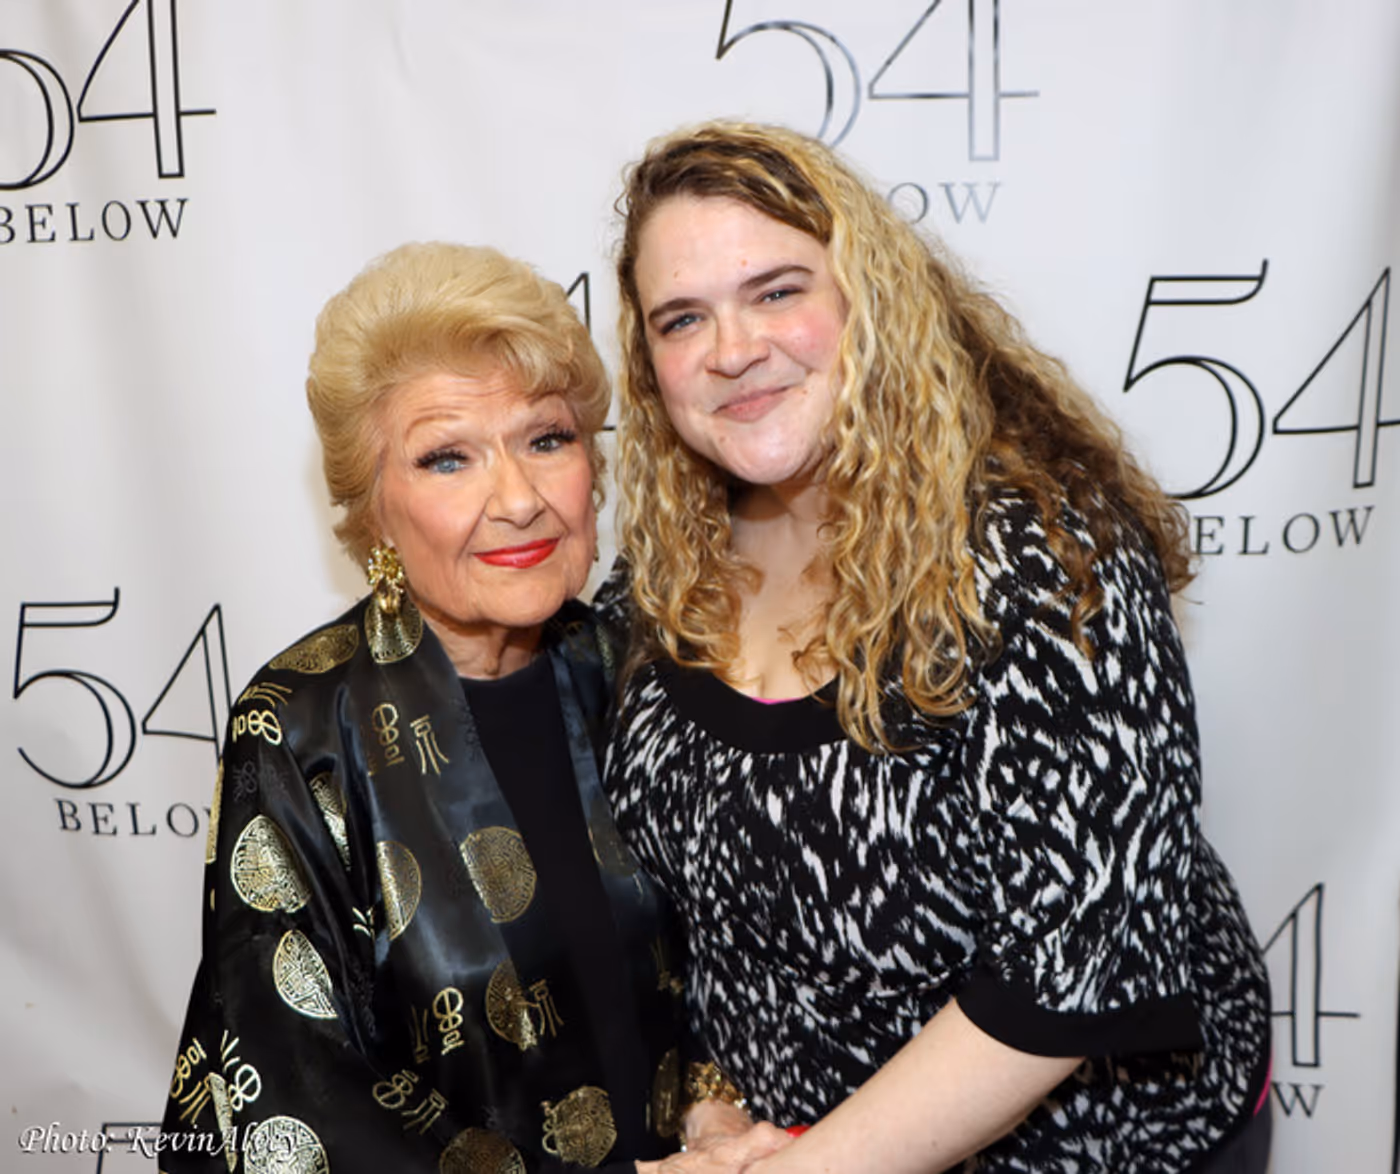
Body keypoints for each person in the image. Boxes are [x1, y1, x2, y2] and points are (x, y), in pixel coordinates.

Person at [598, 121, 1273, 1173]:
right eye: (682, 318)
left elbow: (1069, 967)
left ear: (867, 299)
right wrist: (710, 1109)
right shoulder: (664, 570)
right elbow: (681, 919)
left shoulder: (1048, 556)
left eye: (776, 291)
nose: (730, 349)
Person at [161, 242, 690, 1172]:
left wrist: (716, 1111)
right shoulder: (300, 730)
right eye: (448, 459)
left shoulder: (635, 667)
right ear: (375, 511)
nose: (518, 499)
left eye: (547, 439)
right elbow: (293, 1097)